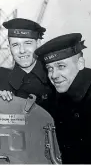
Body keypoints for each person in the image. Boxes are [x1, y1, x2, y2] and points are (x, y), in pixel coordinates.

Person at [35, 33, 91, 164]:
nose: (54, 75)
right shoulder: (54, 99)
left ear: (80, 63)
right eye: (50, 68)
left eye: (61, 66)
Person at [0, 18, 55, 110]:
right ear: (9, 48)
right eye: (15, 45)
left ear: (38, 44)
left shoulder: (54, 78)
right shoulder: (1, 84)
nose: (22, 50)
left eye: (28, 43)